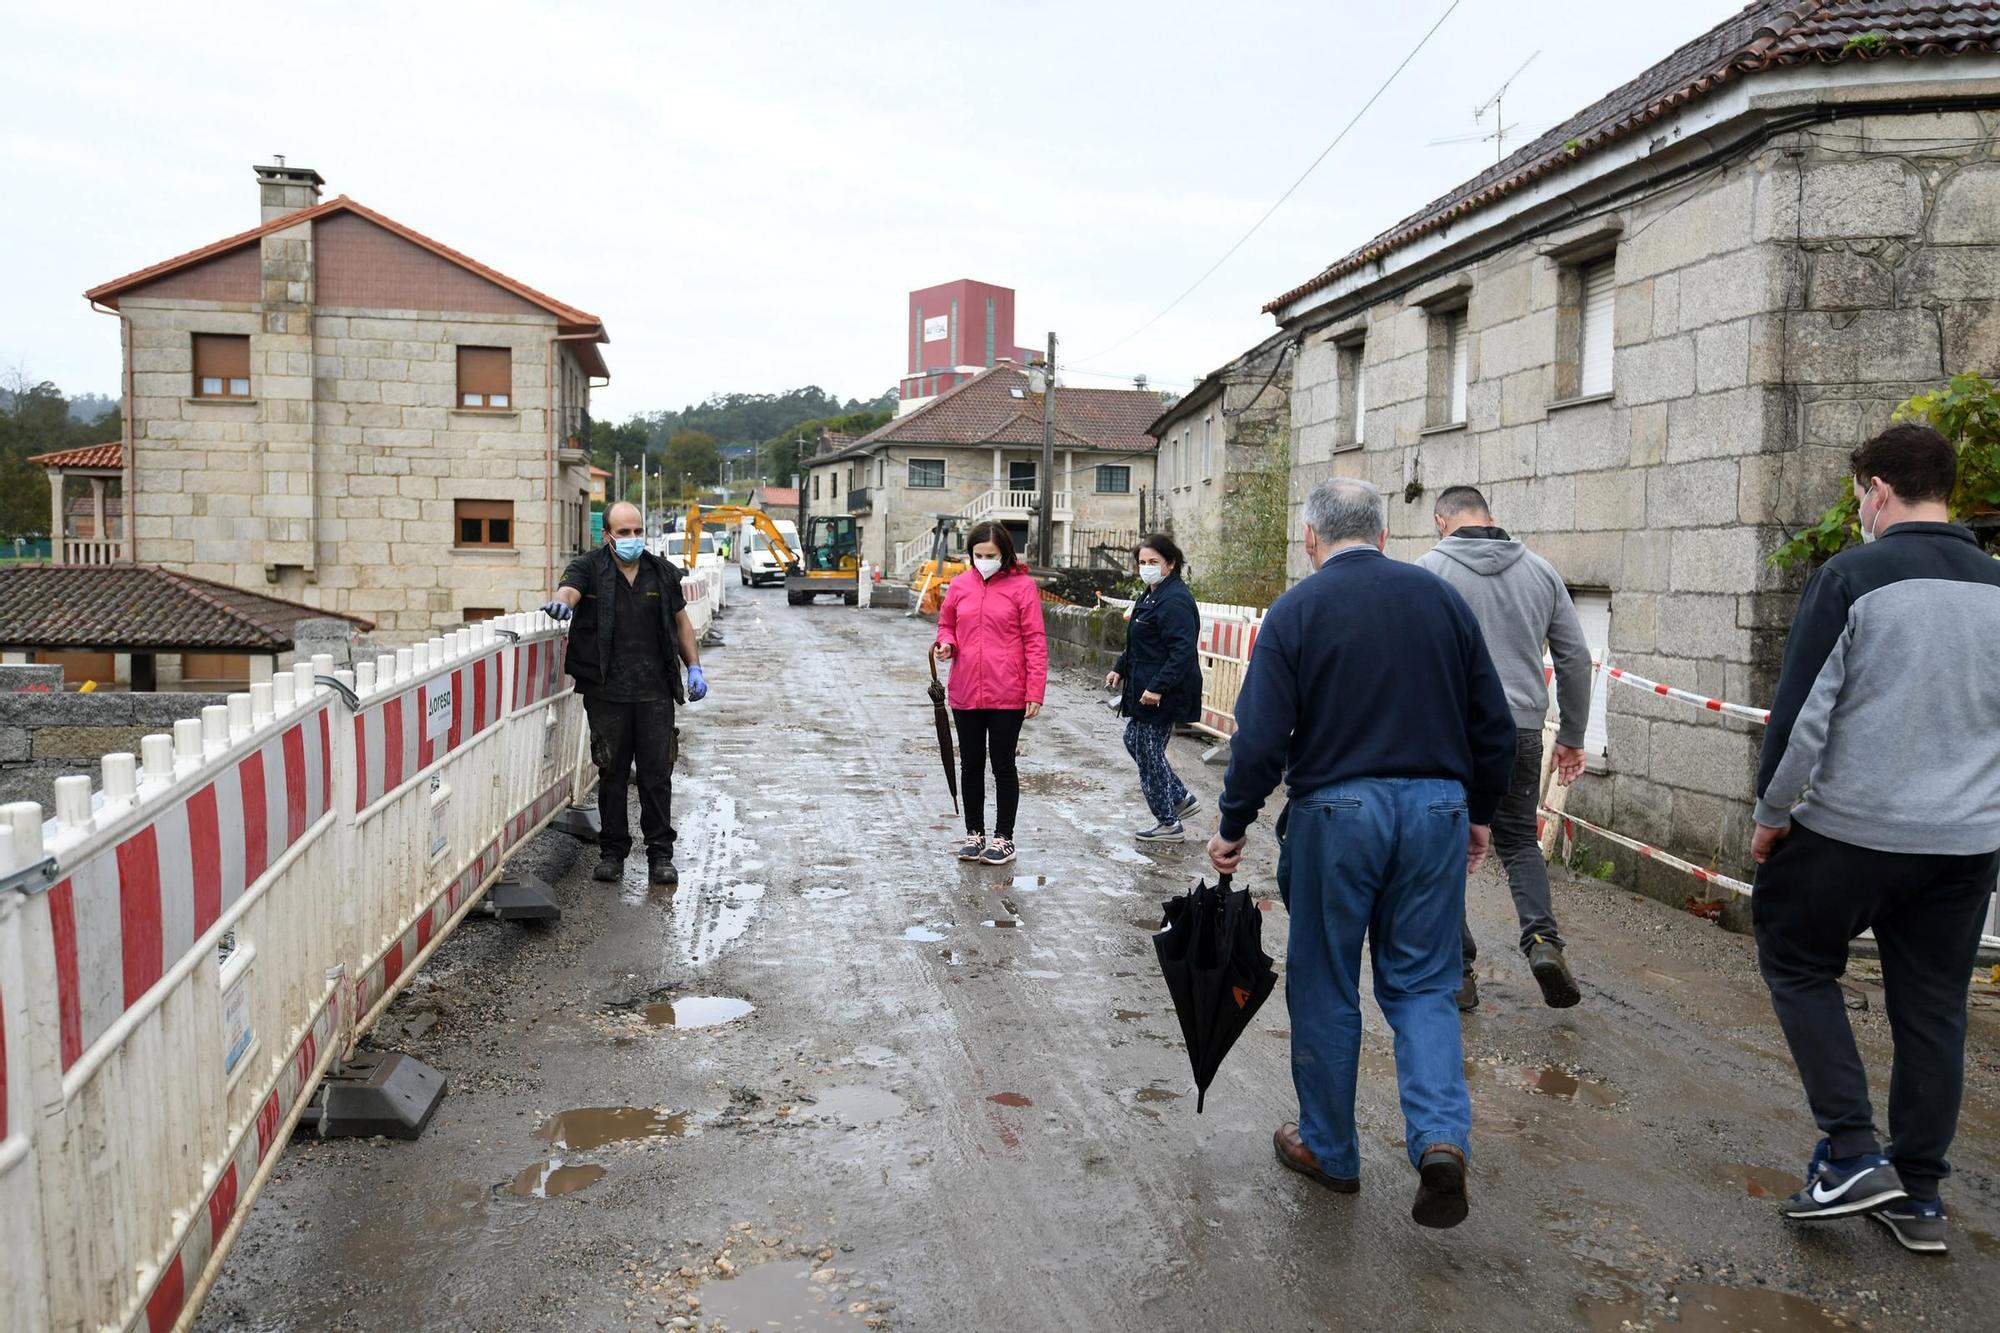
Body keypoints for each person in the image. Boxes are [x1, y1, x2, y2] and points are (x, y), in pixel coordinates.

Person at [1208, 478, 1513, 1230]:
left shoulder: (1297, 610)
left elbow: (1261, 735)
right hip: (1438, 808)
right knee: (1422, 984)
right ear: (1382, 534)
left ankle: (1329, 1148)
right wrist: (1476, 816)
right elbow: (1495, 726)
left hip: (1338, 813)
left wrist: (1234, 820)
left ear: (1312, 537)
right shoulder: (1441, 602)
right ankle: (1440, 1138)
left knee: (1326, 980)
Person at [1750, 423, 2000, 1255]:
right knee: (1934, 1005)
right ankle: (1919, 1195)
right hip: (1966, 843)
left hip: (1857, 829)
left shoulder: (1851, 577)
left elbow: (1801, 718)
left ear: (1880, 490)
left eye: (1860, 493)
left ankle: (1854, 1152)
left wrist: (1771, 813)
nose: (1858, 508)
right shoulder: (1997, 584)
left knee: (1792, 947)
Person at [1417, 486, 1592, 1012]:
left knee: (1444, 843)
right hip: (1517, 729)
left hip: (1448, 731)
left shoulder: (1427, 571)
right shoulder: (1540, 571)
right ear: (1491, 519)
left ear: (1440, 521)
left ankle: (1459, 971)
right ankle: (1543, 943)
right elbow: (1576, 659)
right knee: (1517, 840)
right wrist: (1573, 737)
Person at [542, 501, 708, 888]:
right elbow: (569, 589)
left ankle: (660, 855)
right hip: (607, 691)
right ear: (608, 536)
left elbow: (681, 622)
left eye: (637, 532)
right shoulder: (589, 568)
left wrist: (695, 667)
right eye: (624, 532)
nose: (633, 539)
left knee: (656, 774)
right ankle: (612, 853)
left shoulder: (662, 573)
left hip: (654, 691)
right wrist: (562, 604)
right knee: (611, 773)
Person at [934, 521, 1048, 868]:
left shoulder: (1023, 587)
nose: (984, 560)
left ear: (1005, 554)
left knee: (1003, 765)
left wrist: (1035, 691)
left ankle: (1004, 837)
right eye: (978, 555)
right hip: (965, 689)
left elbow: (1035, 641)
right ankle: (974, 833)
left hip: (1008, 692)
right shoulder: (959, 585)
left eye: (991, 555)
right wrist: (946, 644)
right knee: (970, 764)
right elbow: (946, 624)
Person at [1106, 534, 1203, 842]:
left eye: (1153, 563)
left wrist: (1158, 687)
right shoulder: (1150, 595)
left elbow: (1182, 651)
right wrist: (1119, 668)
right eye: (1142, 563)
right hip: (1145, 687)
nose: (1146, 568)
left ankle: (1168, 822)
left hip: (1163, 692)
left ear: (1170, 564)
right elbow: (1139, 641)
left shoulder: (1174, 600)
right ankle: (1179, 797)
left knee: (1148, 754)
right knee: (1133, 738)